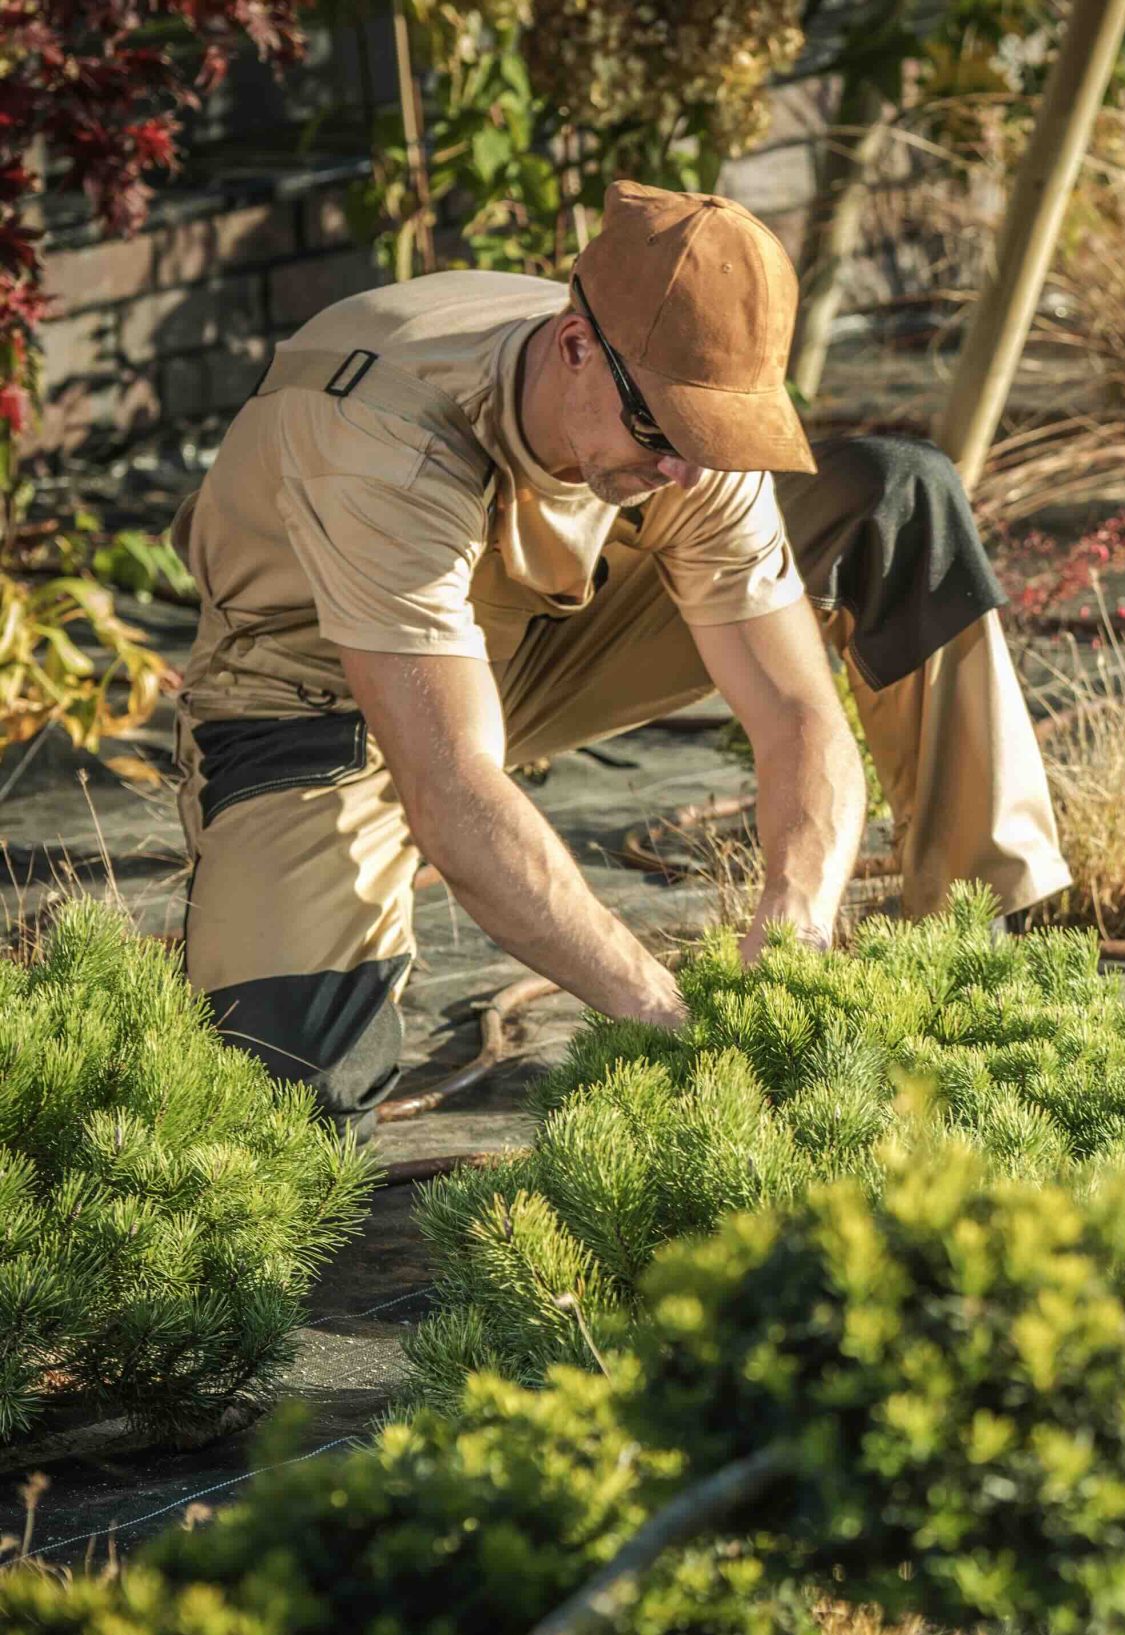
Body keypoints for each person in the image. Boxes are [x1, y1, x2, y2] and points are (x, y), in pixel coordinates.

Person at [170, 179, 1064, 1133]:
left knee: (898, 499)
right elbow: (450, 788)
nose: (687, 468)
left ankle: (980, 956)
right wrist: (667, 1017)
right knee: (287, 1085)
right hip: (318, 694)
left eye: (715, 437)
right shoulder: (385, 439)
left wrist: (793, 939)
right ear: (573, 349)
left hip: (533, 645)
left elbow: (796, 710)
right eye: (667, 433)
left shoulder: (678, 413)